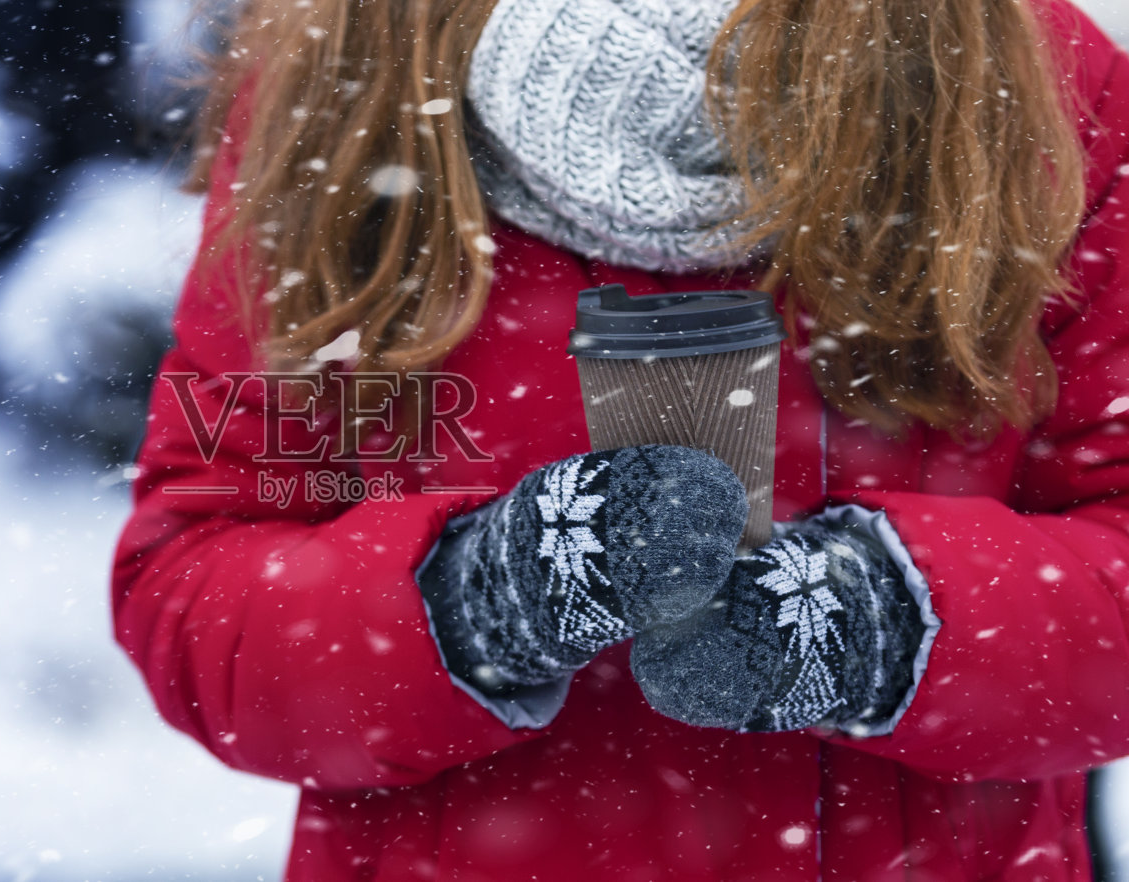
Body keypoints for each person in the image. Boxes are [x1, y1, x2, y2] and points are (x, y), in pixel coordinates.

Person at [111, 0, 1129, 877]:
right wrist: (472, 604)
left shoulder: (1033, 87)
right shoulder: (347, 82)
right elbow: (198, 579)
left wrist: (885, 623)